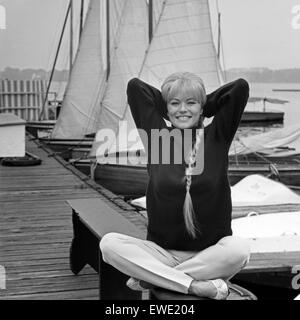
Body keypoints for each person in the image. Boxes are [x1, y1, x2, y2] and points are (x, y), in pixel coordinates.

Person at [100, 72, 251, 300]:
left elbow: (239, 88)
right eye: (175, 103)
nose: (183, 109)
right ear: (166, 109)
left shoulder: (217, 137)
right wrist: (177, 101)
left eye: (191, 103)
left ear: (201, 108)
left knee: (239, 250)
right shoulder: (157, 137)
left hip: (211, 254)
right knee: (109, 245)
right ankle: (193, 285)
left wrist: (202, 102)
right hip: (162, 253)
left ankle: (153, 278)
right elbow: (135, 88)